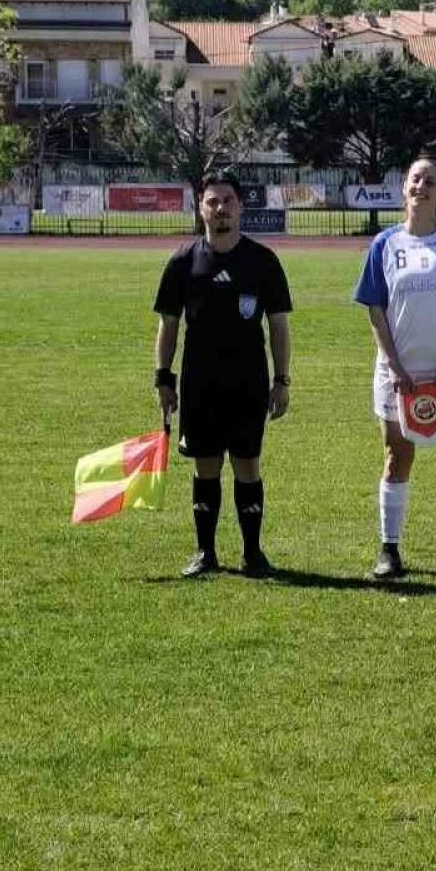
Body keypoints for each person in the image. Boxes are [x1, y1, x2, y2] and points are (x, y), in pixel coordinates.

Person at [154, 169, 292, 577]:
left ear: (241, 206)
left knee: (248, 464)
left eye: (227, 201)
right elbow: (168, 325)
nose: (220, 209)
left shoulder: (262, 261)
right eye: (212, 202)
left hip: (249, 382)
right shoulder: (183, 261)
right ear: (200, 208)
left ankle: (252, 554)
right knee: (206, 465)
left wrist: (282, 380)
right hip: (200, 383)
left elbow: (278, 326)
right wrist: (163, 377)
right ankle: (205, 553)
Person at [353, 157, 436, 580]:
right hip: (398, 373)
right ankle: (389, 550)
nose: (421, 186)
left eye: (430, 181)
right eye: (415, 179)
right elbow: (375, 311)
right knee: (396, 458)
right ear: (404, 188)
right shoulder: (384, 244)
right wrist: (394, 366)